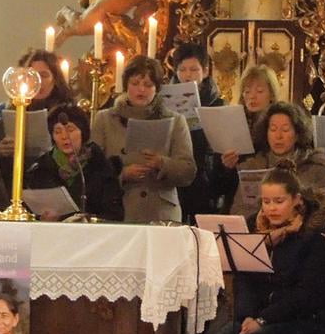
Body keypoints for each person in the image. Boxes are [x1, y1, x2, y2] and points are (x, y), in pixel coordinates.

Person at [204, 161, 325, 334]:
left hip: (304, 322)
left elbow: (309, 293)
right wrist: (247, 317)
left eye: (279, 201)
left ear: (296, 200)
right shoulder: (254, 230)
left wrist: (263, 319)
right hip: (259, 318)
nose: (271, 208)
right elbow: (245, 282)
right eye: (266, 202)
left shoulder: (315, 233)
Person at [91, 55, 196, 222]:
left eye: (148, 85)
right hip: (119, 207)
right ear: (126, 85)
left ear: (157, 88)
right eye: (135, 83)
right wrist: (122, 174)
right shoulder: (105, 119)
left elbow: (188, 171)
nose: (141, 90)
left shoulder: (175, 120)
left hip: (160, 211)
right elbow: (93, 169)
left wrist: (162, 163)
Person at [228, 102, 325, 217]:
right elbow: (238, 211)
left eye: (285, 130)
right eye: (273, 129)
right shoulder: (253, 166)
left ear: (297, 134)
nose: (278, 136)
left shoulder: (316, 166)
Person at [0, 49, 75, 187]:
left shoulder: (68, 113)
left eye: (44, 75)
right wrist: (0, 151)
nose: (38, 81)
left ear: (55, 79)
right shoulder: (9, 109)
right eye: (32, 75)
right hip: (15, 181)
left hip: (54, 181)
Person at [24, 105, 123, 221]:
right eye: (57, 132)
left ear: (83, 132)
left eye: (70, 130)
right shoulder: (40, 169)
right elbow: (28, 211)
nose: (64, 136)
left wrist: (88, 219)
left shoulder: (101, 166)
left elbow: (115, 214)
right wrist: (41, 218)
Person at [214, 65, 281, 211]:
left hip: (271, 198)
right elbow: (219, 185)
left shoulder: (279, 124)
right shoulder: (234, 123)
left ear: (271, 94)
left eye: (259, 91)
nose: (252, 96)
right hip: (237, 201)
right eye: (247, 91)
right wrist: (227, 166)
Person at [171, 43, 225, 222]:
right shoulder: (165, 102)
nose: (188, 75)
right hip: (176, 175)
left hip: (206, 176)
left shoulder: (216, 104)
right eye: (182, 70)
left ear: (206, 71)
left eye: (194, 70)